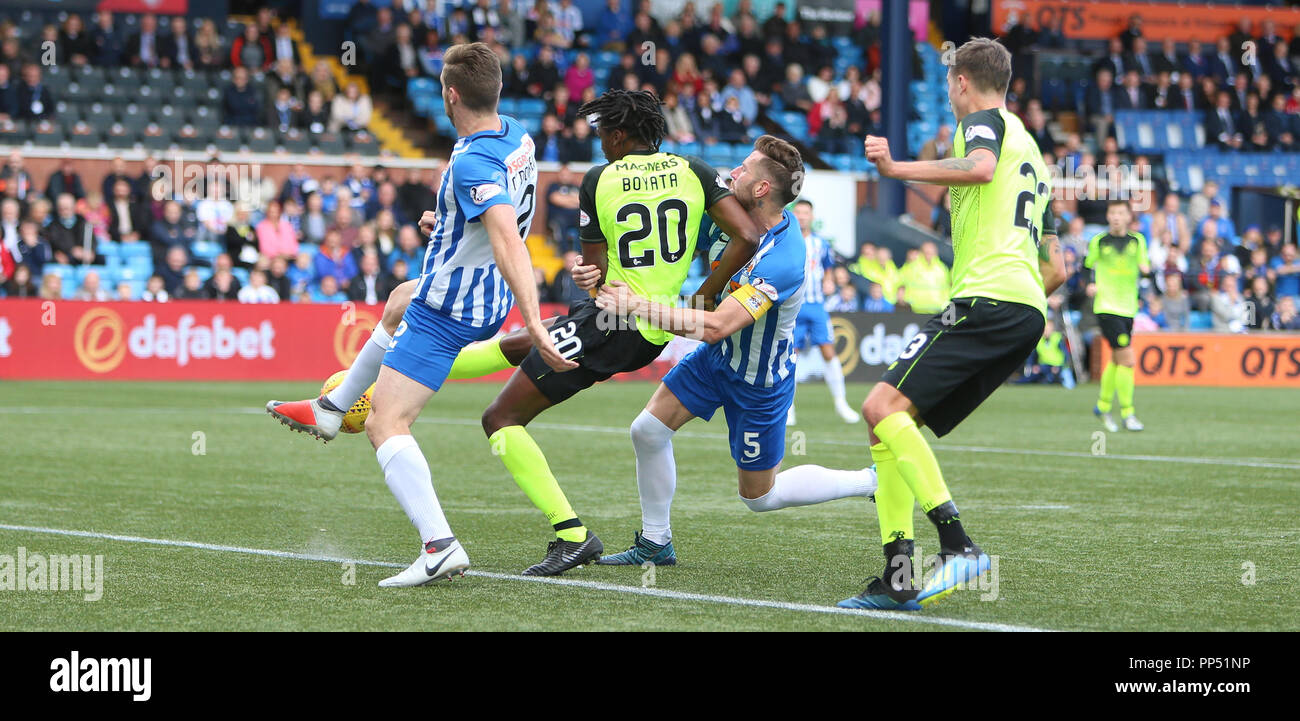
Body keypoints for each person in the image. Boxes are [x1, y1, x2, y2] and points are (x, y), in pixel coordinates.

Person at [267, 43, 571, 588]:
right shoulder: (518, 137)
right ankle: (332, 406)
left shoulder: (472, 158)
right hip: (474, 289)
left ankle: (439, 545)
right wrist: (451, 221)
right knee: (397, 299)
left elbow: (506, 235)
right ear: (497, 91)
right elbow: (499, 219)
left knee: (386, 422)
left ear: (450, 95)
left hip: (454, 304)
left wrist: (536, 321)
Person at [429, 90, 763, 576]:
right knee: (527, 340)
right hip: (647, 326)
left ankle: (573, 536)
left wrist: (590, 277)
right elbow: (748, 236)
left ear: (621, 134)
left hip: (613, 323)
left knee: (500, 419)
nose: (600, 142)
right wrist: (705, 296)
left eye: (604, 133)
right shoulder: (694, 170)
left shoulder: (599, 179)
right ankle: (396, 374)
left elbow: (595, 273)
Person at [835, 38, 1065, 611]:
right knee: (887, 420)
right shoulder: (1035, 153)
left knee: (878, 408)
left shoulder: (983, 125)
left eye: (948, 81)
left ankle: (957, 544)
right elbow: (1056, 266)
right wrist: (1021, 302)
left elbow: (979, 168)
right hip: (1024, 308)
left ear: (961, 82)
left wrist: (893, 169)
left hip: (986, 300)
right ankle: (898, 573)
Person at [592, 136, 878, 567]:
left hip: (758, 381)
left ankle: (870, 480)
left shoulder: (784, 256)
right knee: (647, 431)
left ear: (762, 189)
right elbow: (662, 243)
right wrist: (595, 265)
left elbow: (717, 325)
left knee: (760, 498)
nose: (734, 174)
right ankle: (655, 543)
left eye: (744, 170)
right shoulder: (725, 218)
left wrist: (634, 306)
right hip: (717, 361)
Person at [788, 199, 858, 425]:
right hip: (792, 307)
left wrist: (829, 282)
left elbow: (828, 269)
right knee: (790, 357)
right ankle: (788, 408)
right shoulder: (786, 240)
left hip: (817, 306)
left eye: (806, 213)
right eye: (798, 212)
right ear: (793, 214)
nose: (802, 216)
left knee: (829, 351)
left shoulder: (821, 243)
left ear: (812, 216)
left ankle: (841, 403)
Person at [1086, 200, 1149, 433]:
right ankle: (1127, 413)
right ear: (1107, 215)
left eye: (1121, 213)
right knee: (1128, 360)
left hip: (1128, 307)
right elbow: (1087, 267)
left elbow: (1145, 267)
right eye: (1112, 212)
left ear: (1128, 216)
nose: (1116, 217)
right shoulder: (1099, 241)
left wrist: (1147, 272)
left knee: (1116, 360)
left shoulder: (1138, 241)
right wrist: (1090, 285)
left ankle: (1102, 406)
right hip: (1107, 307)